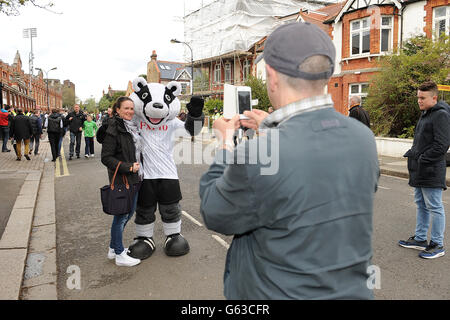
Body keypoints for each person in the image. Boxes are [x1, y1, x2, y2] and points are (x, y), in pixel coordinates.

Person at [199, 22, 379, 299]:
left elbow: (215, 212)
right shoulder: (362, 138)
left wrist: (225, 143)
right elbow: (310, 171)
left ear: (272, 75)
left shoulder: (259, 153)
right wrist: (272, 131)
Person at [399, 81, 450, 259]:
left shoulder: (441, 115)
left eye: (423, 98)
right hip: (420, 170)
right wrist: (414, 155)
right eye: (418, 97)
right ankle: (420, 239)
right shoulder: (426, 114)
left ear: (434, 97)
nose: (419, 101)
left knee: (435, 207)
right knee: (421, 204)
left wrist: (421, 159)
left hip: (431, 170)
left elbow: (441, 145)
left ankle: (438, 244)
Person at [101, 97, 142, 267]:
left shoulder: (131, 126)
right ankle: (119, 254)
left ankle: (113, 248)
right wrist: (128, 167)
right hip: (123, 178)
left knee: (127, 214)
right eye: (126, 108)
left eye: (132, 108)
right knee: (122, 216)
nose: (130, 111)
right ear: (117, 109)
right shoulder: (114, 128)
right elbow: (106, 158)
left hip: (135, 177)